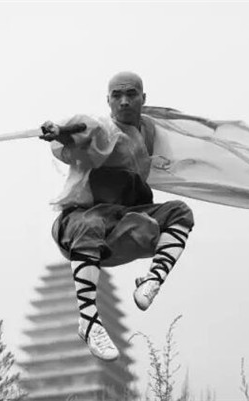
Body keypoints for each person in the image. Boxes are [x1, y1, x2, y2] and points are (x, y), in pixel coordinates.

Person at [40, 72, 195, 362]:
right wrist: (60, 130)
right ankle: (88, 320)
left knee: (180, 212)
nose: (124, 101)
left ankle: (153, 279)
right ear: (108, 100)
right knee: (90, 223)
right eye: (117, 95)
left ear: (143, 98)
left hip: (124, 222)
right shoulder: (106, 130)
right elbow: (84, 130)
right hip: (79, 224)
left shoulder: (149, 132)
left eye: (131, 94)